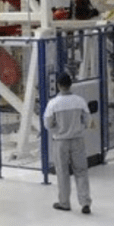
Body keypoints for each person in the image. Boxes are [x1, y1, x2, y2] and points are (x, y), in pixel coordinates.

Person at [42, 72, 92, 214]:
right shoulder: (80, 101)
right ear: (71, 85)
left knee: (62, 172)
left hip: (60, 142)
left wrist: (58, 130)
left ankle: (64, 203)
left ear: (58, 85)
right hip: (78, 140)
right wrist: (79, 128)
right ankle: (85, 202)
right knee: (81, 171)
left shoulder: (53, 103)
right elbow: (88, 121)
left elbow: (48, 124)